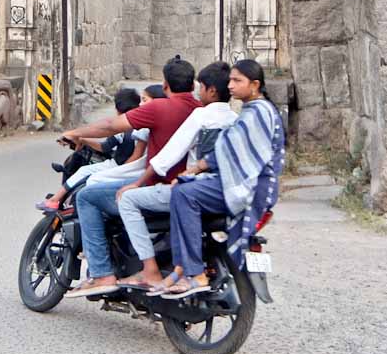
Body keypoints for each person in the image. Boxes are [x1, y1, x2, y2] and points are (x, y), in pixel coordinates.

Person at [62, 56, 201, 299]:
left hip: (159, 188)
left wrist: (75, 132)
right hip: (190, 190)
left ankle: (102, 273)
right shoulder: (201, 111)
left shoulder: (159, 107)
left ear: (166, 86)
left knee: (87, 197)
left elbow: (110, 127)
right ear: (193, 85)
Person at [161, 59, 285, 298]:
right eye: (230, 80)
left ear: (255, 85)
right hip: (248, 181)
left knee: (183, 194)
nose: (231, 85)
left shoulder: (258, 113)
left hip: (251, 185)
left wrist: (196, 169)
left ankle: (193, 272)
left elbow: (231, 152)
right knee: (188, 186)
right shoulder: (253, 110)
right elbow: (231, 152)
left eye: (238, 80)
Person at [114, 61, 237, 290]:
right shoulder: (234, 119)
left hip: (195, 188)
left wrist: (137, 183)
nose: (198, 92)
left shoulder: (201, 116)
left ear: (211, 91)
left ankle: (149, 270)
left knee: (128, 199)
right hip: (223, 190)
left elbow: (168, 155)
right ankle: (175, 267)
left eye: (201, 87)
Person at [36, 88, 146, 212]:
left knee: (84, 172)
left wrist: (82, 139)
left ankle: (55, 200)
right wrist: (82, 138)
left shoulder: (121, 127)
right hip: (132, 167)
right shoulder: (143, 125)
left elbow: (104, 145)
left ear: (118, 109)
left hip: (119, 166)